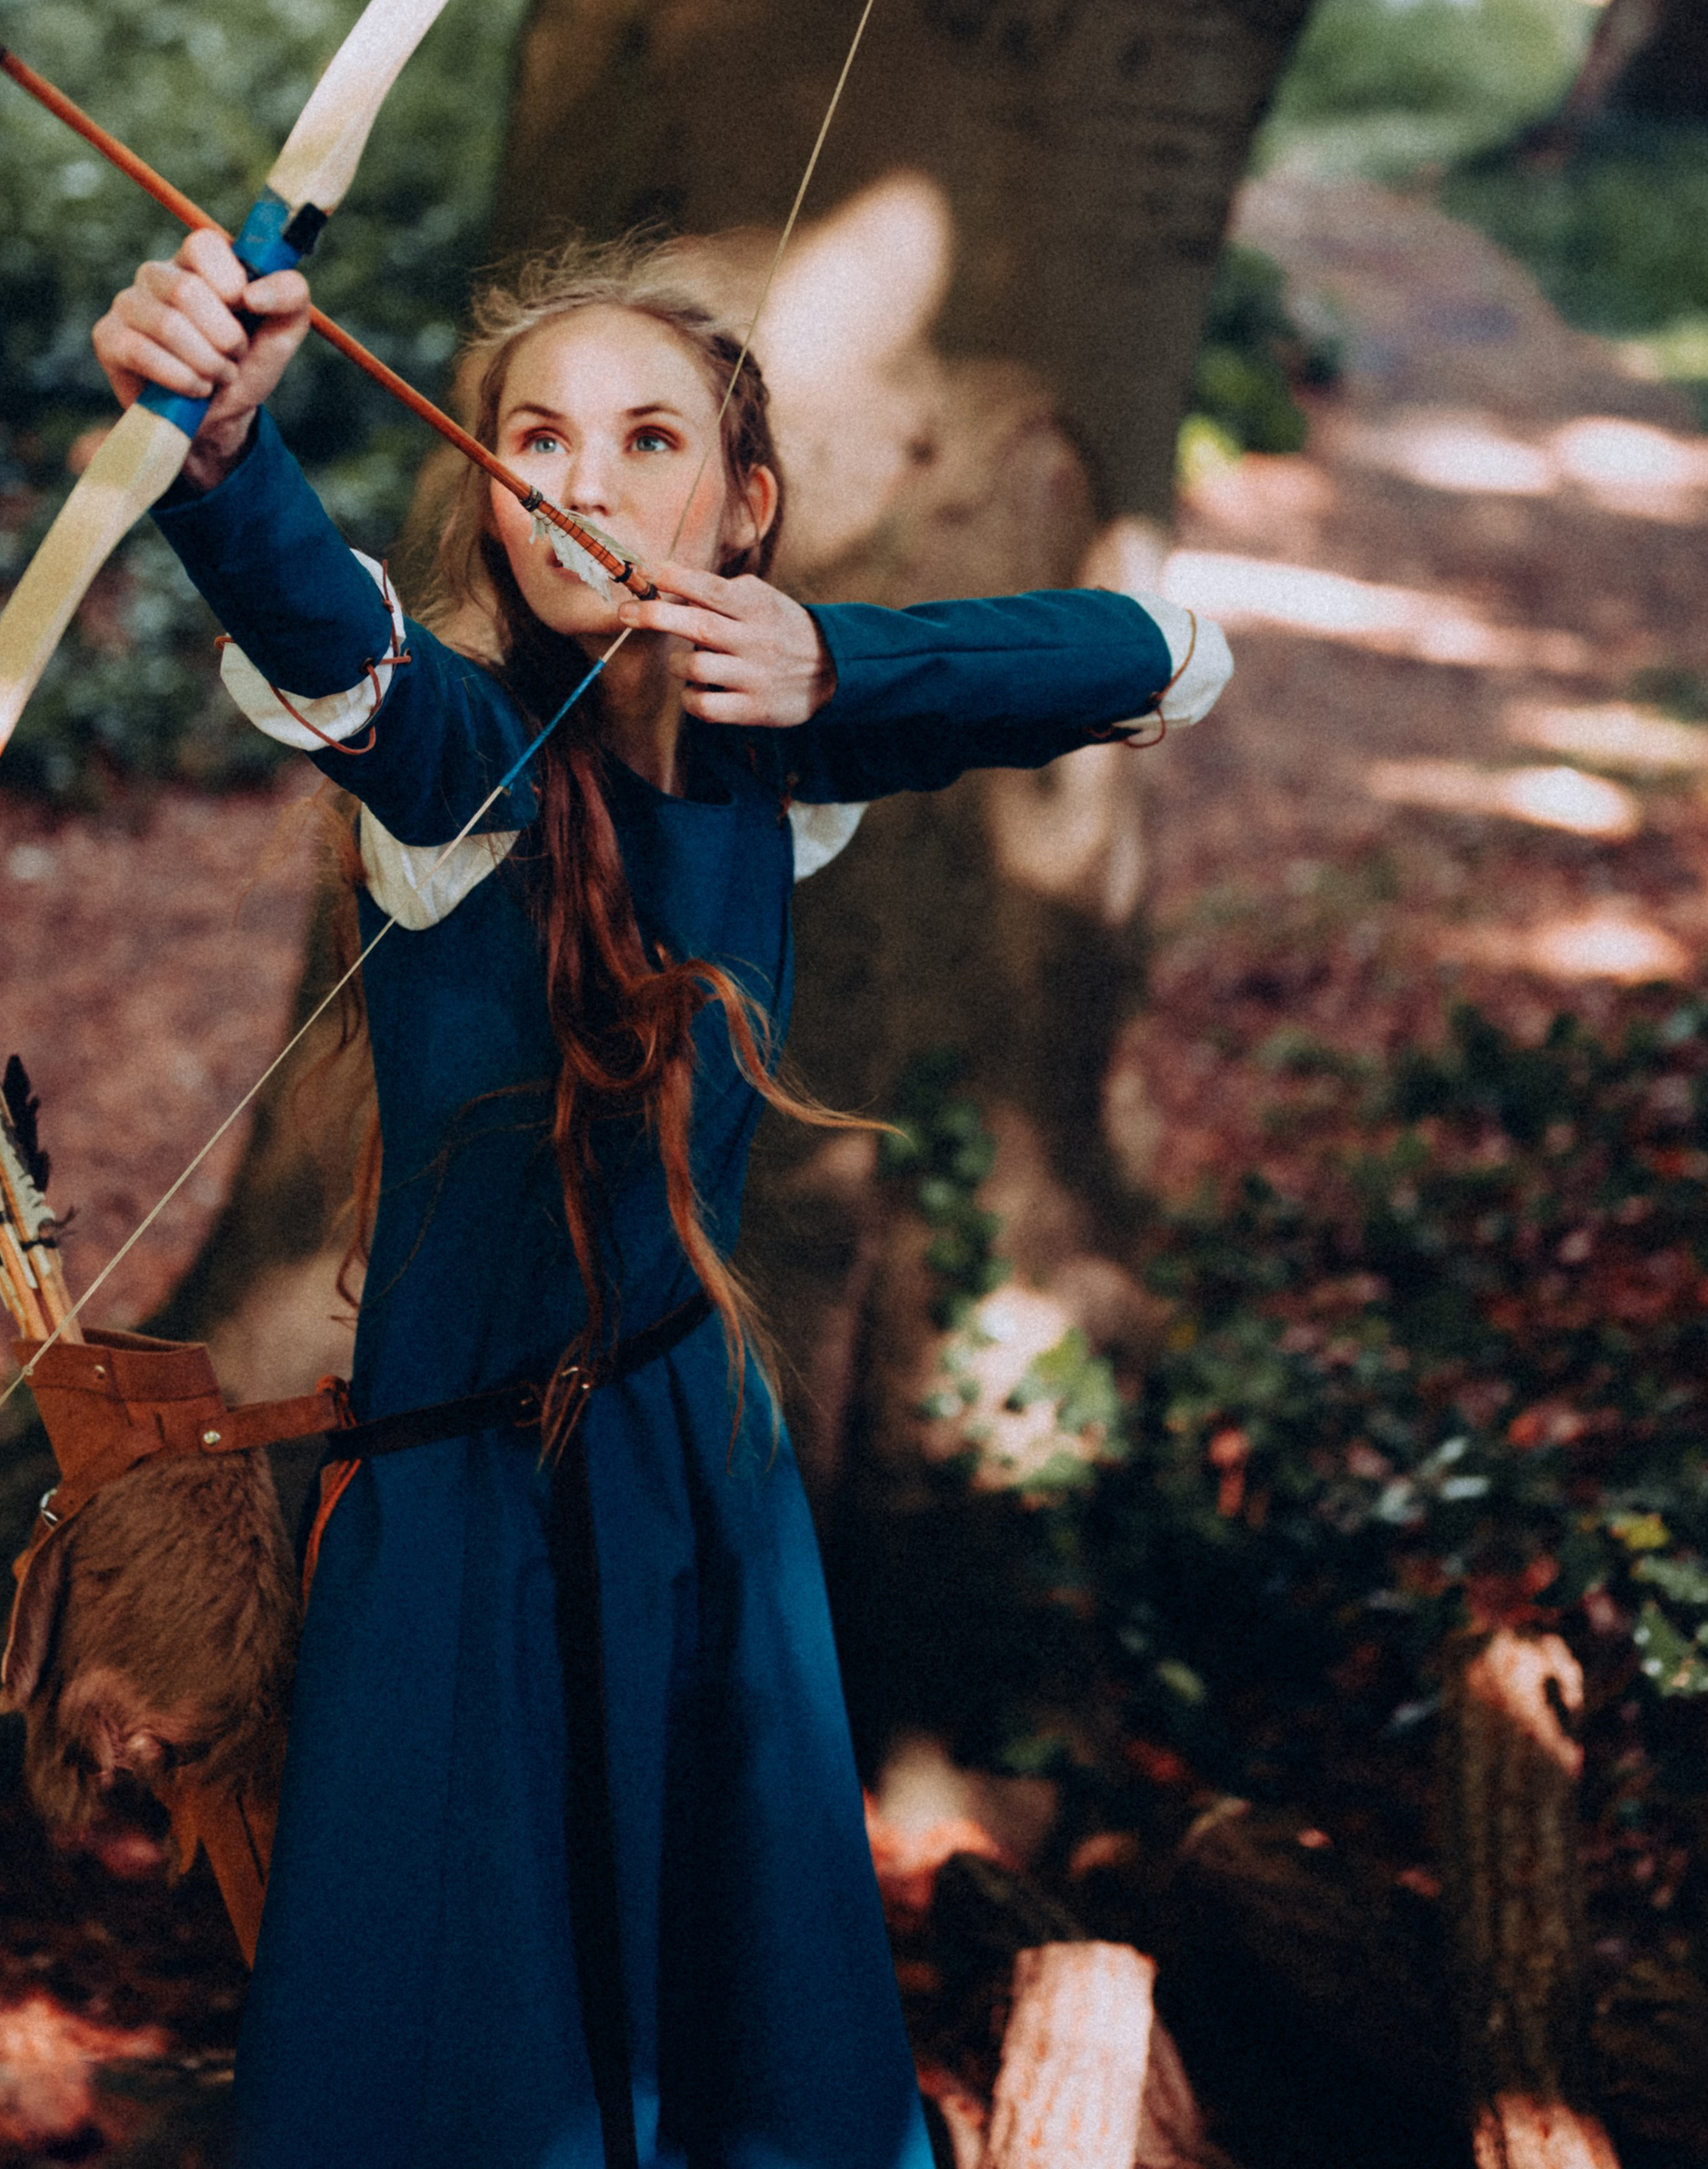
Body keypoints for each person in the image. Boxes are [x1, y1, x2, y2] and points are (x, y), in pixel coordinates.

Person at [93, 230, 1229, 2169]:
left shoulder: (775, 745)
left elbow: (1161, 658)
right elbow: (320, 626)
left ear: (742, 498)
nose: (584, 485)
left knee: (733, 2011)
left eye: (645, 440)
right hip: (465, 1515)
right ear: (486, 479)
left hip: (696, 1468)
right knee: (465, 2019)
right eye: (537, 438)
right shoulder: (447, 752)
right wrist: (214, 451)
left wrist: (830, 652)